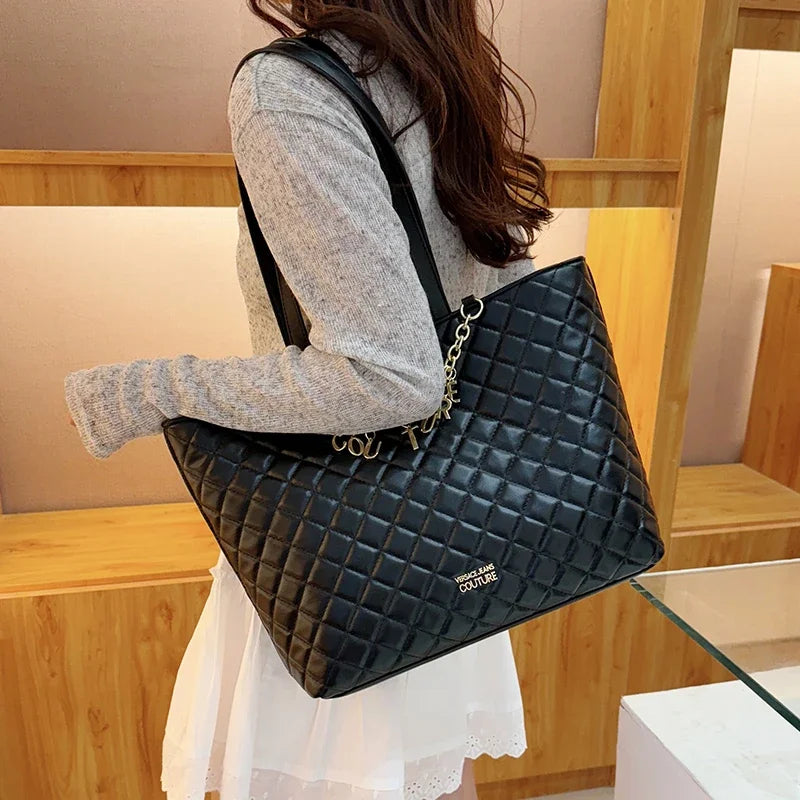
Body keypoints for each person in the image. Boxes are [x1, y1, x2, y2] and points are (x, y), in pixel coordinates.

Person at [64, 2, 552, 797]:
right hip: (456, 526)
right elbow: (491, 298)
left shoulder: (291, 88)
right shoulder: (442, 65)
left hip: (341, 539)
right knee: (426, 776)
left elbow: (388, 374)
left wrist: (146, 389)